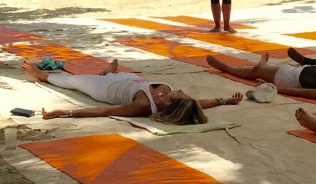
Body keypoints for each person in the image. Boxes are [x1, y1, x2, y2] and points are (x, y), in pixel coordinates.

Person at [22, 59, 242, 124]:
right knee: (115, 74)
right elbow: (202, 103)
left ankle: (42, 75)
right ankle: (109, 71)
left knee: (74, 80)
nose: (184, 91)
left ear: (173, 102)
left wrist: (65, 112)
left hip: (106, 90)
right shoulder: (183, 102)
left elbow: (103, 111)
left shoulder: (144, 106)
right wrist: (224, 101)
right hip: (131, 80)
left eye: (182, 94)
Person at [206, 53, 316, 105]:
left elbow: (304, 92)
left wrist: (274, 88)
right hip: (306, 70)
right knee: (261, 69)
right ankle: (262, 65)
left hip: (290, 78)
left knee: (257, 71)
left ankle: (227, 68)